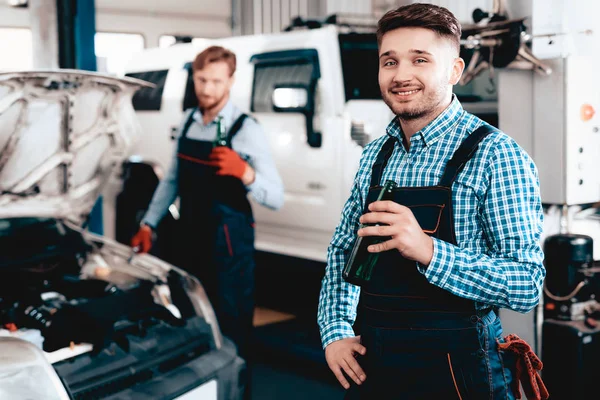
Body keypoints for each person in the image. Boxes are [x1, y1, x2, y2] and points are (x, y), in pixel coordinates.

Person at [317, 4, 546, 399]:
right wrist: (335, 331)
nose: (401, 74)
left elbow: (526, 285)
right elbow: (342, 252)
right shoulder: (375, 155)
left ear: (454, 71)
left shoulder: (496, 156)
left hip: (459, 370)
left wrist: (429, 251)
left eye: (420, 59)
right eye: (390, 61)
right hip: (377, 360)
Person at [131, 45, 284, 398]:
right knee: (193, 324)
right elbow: (172, 180)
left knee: (232, 330)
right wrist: (149, 224)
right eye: (201, 79)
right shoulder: (187, 120)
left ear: (231, 80)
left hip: (230, 247)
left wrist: (245, 172)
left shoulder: (246, 129)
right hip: (189, 239)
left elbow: (276, 196)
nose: (207, 88)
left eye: (216, 81)